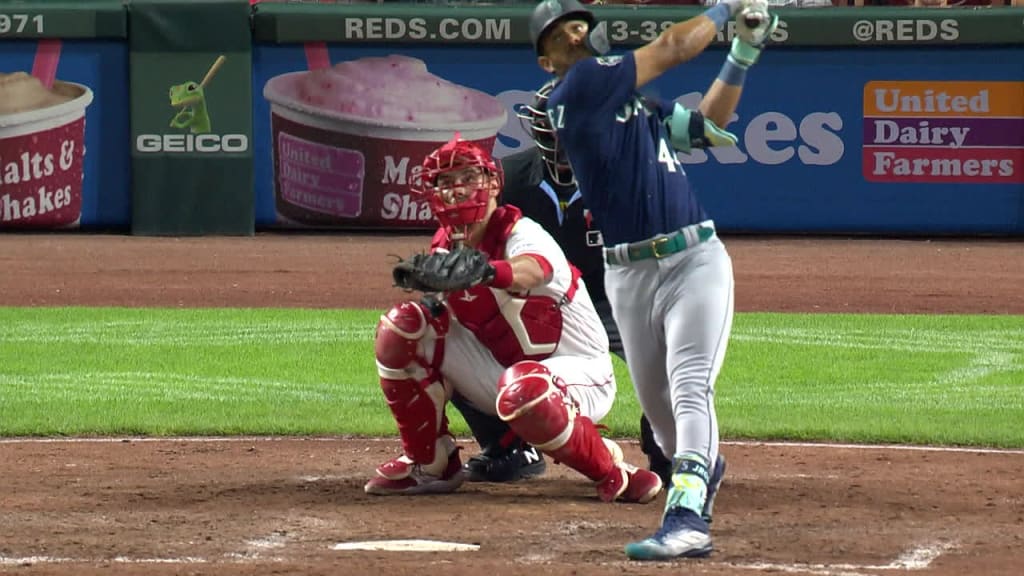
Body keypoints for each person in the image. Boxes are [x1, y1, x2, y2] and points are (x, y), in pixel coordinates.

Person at [526, 0, 779, 560]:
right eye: (558, 27)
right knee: (664, 423)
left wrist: (742, 51)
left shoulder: (628, 102)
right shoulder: (586, 83)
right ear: (548, 60)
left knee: (691, 388)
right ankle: (701, 467)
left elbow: (711, 127)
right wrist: (726, 8)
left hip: (694, 259)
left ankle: (687, 518)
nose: (576, 25)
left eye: (581, 19)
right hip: (628, 276)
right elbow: (672, 47)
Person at [363, 134, 663, 506]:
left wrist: (487, 272)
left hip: (581, 373)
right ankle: (431, 463)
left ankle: (614, 473)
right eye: (445, 182)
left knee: (525, 388)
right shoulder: (444, 246)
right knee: (403, 327)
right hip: (505, 374)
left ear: (492, 185)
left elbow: (532, 271)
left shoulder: (522, 234)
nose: (456, 191)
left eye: (467, 178)